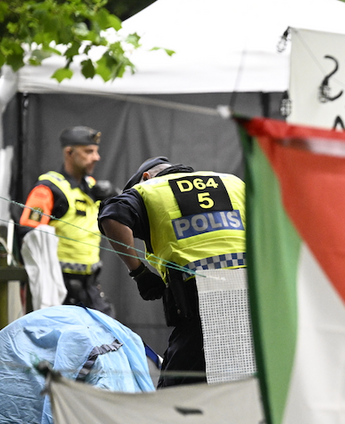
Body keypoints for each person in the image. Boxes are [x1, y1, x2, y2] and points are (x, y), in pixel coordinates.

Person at [98, 157, 246, 388]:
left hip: (201, 300)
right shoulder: (232, 182)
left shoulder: (148, 189)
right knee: (240, 382)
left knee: (177, 390)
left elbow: (112, 215)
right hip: (254, 297)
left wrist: (139, 273)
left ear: (145, 177)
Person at [19, 126, 116, 315]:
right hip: (59, 285)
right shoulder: (49, 189)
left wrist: (116, 195)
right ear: (69, 152)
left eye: (96, 151)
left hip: (90, 284)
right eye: (88, 151)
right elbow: (28, 234)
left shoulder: (92, 187)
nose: (96, 157)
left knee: (109, 334)